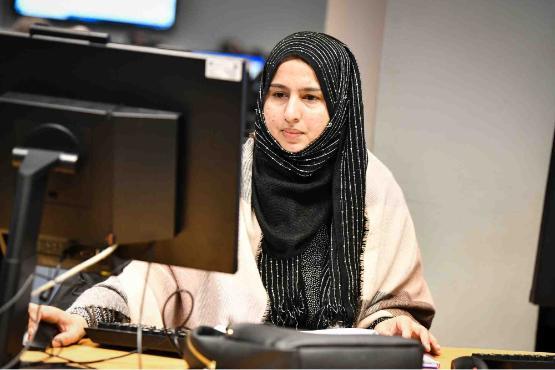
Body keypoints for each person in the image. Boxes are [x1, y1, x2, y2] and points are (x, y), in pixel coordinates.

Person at [28, 31, 441, 355]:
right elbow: (152, 281)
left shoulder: (373, 185)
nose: (290, 113)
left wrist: (393, 322)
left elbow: (395, 307)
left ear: (341, 107)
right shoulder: (226, 175)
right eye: (278, 95)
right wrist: (81, 315)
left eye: (311, 98)